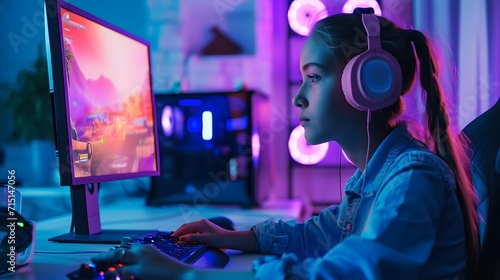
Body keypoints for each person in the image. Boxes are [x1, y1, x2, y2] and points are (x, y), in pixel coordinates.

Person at [92, 8, 479, 280]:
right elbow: (317, 236)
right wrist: (231, 237)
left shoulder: (412, 179)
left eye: (314, 77)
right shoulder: (373, 178)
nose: (298, 99)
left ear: (367, 85)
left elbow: (343, 275)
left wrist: (183, 275)